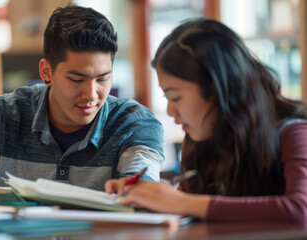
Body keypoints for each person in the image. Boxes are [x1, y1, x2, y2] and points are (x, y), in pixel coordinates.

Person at [0, 5, 165, 206]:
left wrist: (137, 192)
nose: (91, 94)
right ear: (46, 71)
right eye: (76, 79)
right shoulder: (3, 116)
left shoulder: (135, 124)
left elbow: (145, 195)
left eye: (103, 79)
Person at [105, 18, 307, 224]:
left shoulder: (293, 132)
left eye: (176, 98)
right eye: (166, 98)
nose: (170, 111)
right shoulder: (199, 141)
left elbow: (300, 211)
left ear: (218, 90)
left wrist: (182, 202)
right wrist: (148, 199)